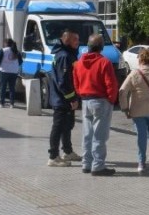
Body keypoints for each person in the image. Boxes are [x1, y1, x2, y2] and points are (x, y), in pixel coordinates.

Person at [73, 34, 118, 176]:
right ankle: (98, 165)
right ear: (101, 47)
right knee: (100, 135)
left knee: (87, 134)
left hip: (86, 99)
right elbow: (111, 84)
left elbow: (76, 82)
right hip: (101, 100)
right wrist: (111, 100)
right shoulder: (104, 62)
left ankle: (86, 163)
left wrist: (81, 94)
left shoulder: (79, 63)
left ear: (88, 46)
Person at [46, 29, 82, 167]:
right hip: (62, 99)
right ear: (67, 41)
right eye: (75, 40)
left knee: (67, 126)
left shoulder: (69, 54)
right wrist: (72, 99)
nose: (78, 42)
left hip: (65, 99)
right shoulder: (64, 56)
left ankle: (67, 151)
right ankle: (53, 156)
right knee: (58, 127)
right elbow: (63, 82)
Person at [0, 38, 23, 108]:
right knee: (12, 88)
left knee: (3, 87)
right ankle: (12, 104)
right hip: (14, 72)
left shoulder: (3, 50)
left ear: (6, 43)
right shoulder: (17, 51)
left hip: (4, 71)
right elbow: (21, 61)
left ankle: (2, 103)